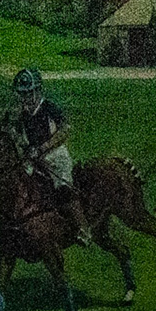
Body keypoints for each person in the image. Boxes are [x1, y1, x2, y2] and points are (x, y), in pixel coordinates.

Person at [12, 67, 92, 246]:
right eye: (22, 94)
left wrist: (44, 147)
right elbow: (19, 135)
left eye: (29, 93)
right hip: (34, 156)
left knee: (63, 187)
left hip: (55, 156)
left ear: (38, 90)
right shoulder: (24, 113)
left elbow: (65, 129)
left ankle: (83, 228)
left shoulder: (48, 107)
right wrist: (19, 140)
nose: (25, 98)